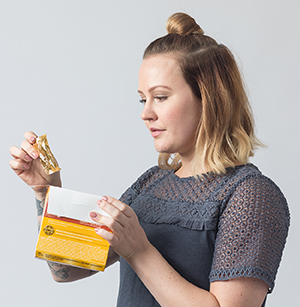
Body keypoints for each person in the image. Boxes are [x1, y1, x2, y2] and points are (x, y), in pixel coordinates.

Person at [9, 12, 290, 307]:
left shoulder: (251, 195)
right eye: (143, 99)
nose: (146, 113)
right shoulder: (150, 184)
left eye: (161, 97)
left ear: (208, 98)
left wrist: (140, 252)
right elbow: (65, 270)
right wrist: (46, 191)